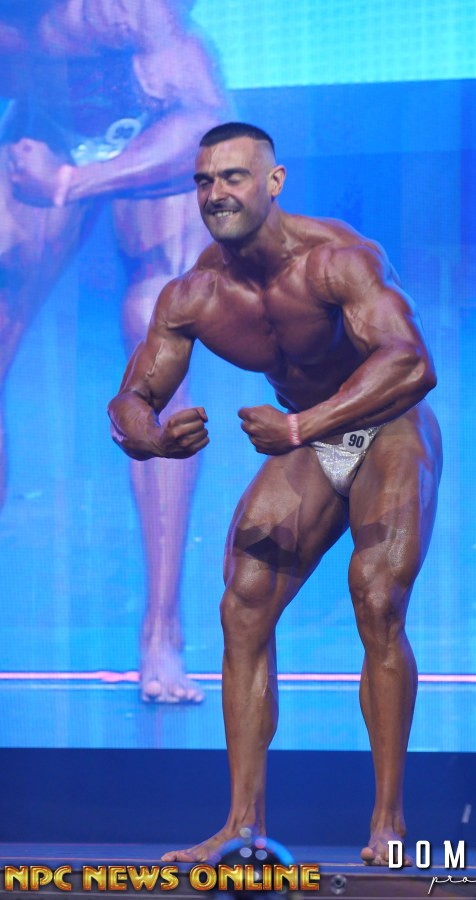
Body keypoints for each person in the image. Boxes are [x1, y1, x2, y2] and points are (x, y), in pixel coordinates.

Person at [108, 122, 442, 865]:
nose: (216, 194)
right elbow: (131, 398)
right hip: (310, 436)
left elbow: (411, 364)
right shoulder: (194, 294)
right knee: (244, 602)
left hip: (385, 424)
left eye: (232, 177)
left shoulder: (336, 260)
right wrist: (151, 438)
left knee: (378, 599)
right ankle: (241, 827)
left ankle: (387, 823)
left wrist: (299, 426)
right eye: (204, 181)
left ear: (273, 181)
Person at [0, 0, 231, 701]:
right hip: (49, 131)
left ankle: (162, 631)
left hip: (156, 136)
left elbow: (202, 126)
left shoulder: (140, 18)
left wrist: (74, 183)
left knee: (159, 326)